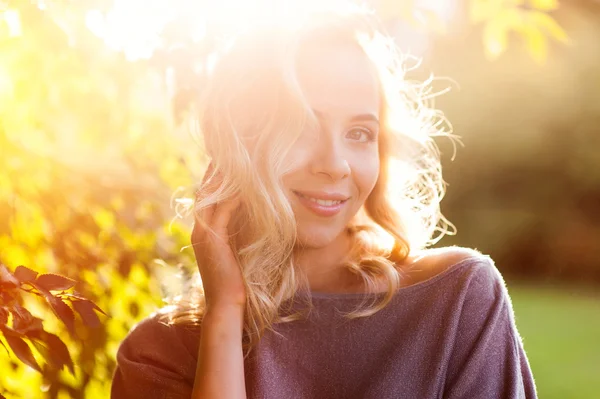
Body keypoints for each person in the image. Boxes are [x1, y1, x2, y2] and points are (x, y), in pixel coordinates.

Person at [111, 3, 537, 398]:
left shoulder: (458, 301)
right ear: (239, 143)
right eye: (301, 127)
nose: (335, 165)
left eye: (359, 134)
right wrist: (224, 318)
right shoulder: (158, 354)